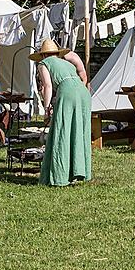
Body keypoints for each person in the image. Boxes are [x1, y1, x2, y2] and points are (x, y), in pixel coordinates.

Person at [30, 39, 92, 187]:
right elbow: (81, 76)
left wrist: (46, 109)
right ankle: (78, 171)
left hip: (67, 92)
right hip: (83, 93)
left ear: (43, 55)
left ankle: (60, 175)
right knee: (79, 131)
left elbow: (47, 85)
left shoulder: (43, 64)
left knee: (62, 131)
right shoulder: (66, 62)